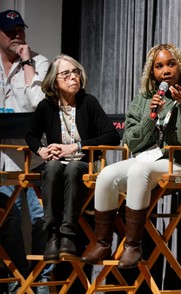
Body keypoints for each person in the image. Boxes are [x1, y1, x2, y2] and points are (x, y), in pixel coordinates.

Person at [80, 43, 181, 269]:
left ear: (180, 66)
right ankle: (102, 242)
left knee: (138, 170)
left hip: (178, 162)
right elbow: (131, 141)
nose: (166, 70)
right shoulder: (144, 99)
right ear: (153, 72)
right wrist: (150, 117)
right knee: (106, 174)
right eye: (159, 66)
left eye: (171, 64)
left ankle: (133, 245)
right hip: (146, 159)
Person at [25, 54, 120, 263]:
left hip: (84, 164)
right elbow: (30, 135)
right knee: (51, 167)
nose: (73, 77)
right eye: (66, 74)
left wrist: (76, 147)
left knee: (74, 166)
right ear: (55, 82)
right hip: (56, 165)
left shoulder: (88, 102)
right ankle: (53, 235)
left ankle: (68, 234)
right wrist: (40, 150)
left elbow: (113, 136)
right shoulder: (46, 107)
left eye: (76, 72)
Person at [0, 9, 52, 293]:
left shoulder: (40, 61)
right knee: (6, 223)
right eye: (10, 31)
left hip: (33, 158)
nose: (17, 35)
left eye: (20, 29)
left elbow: (40, 103)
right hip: (2, 161)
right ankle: (18, 283)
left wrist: (27, 62)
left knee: (42, 220)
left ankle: (42, 284)